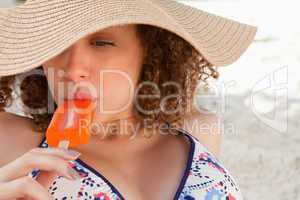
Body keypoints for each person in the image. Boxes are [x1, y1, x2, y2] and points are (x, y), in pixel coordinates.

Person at [0, 0, 257, 199]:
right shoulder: (11, 141)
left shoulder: (200, 130)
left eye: (101, 42)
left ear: (151, 50)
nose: (72, 67)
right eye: (56, 42)